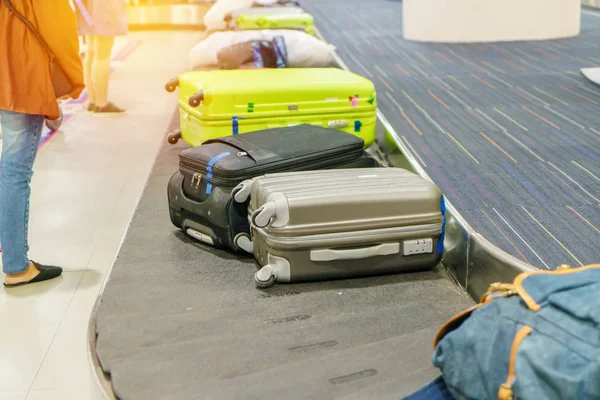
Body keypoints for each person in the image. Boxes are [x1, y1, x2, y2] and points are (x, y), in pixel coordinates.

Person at [0, 0, 84, 287]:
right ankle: (16, 266)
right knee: (14, 170)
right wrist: (70, 75)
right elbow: (57, 25)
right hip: (20, 69)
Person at [75, 0, 128, 115]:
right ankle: (101, 103)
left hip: (87, 7)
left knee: (91, 50)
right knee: (102, 54)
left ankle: (93, 101)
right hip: (103, 6)